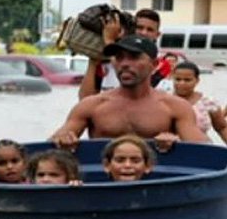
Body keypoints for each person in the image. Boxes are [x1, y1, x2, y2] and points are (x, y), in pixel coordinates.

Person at [51, 35, 209, 151]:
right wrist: (64, 141)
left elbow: (205, 151)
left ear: (154, 64)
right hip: (104, 186)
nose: (125, 64)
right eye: (119, 58)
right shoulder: (92, 105)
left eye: (134, 57)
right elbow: (49, 149)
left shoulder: (175, 107)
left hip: (157, 187)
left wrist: (177, 144)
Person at [79, 9, 162, 99]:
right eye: (139, 27)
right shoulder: (105, 61)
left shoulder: (164, 63)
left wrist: (109, 41)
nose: (143, 33)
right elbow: (85, 99)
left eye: (150, 30)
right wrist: (93, 59)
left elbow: (139, 91)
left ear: (157, 35)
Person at [102, 135, 227, 182]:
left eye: (135, 161)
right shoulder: (96, 193)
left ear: (148, 166)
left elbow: (204, 189)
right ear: (107, 165)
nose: (127, 165)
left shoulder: (157, 191)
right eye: (120, 160)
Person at [172, 62, 227, 146]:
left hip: (202, 149)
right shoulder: (163, 101)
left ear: (197, 80)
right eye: (178, 79)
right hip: (170, 152)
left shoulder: (207, 102)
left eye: (187, 80)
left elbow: (222, 127)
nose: (182, 83)